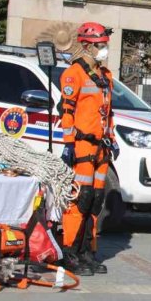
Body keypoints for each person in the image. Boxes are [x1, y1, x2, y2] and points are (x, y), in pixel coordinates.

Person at [58, 22, 118, 276]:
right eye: (99, 45)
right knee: (80, 200)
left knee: (95, 201)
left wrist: (112, 137)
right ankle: (70, 252)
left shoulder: (106, 75)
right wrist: (69, 143)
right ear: (86, 45)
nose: (103, 49)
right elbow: (66, 111)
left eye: (104, 45)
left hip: (102, 146)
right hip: (82, 144)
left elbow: (108, 112)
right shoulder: (74, 74)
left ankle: (87, 251)